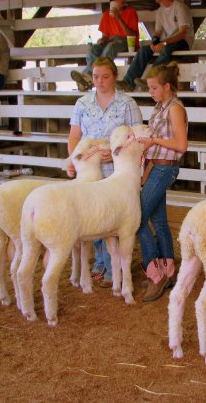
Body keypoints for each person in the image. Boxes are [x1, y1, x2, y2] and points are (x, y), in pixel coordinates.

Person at [67, 57, 142, 287]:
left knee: (113, 219)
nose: (99, 81)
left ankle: (113, 268)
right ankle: (100, 263)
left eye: (105, 76)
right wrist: (73, 161)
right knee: (92, 216)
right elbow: (74, 135)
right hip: (90, 170)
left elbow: (137, 136)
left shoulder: (127, 103)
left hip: (116, 171)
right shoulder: (82, 103)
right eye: (96, 76)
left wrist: (115, 151)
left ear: (115, 77)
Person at [137, 62, 188, 302]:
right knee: (158, 219)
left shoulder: (175, 108)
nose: (151, 92)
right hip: (156, 167)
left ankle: (154, 272)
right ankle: (168, 268)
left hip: (165, 168)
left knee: (137, 217)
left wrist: (154, 140)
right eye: (149, 88)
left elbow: (181, 145)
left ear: (167, 86)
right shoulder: (159, 107)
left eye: (154, 87)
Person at [117, 0, 194, 92]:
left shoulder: (180, 7)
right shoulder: (160, 11)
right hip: (167, 42)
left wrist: (164, 43)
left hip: (182, 43)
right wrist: (154, 42)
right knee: (144, 50)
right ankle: (128, 82)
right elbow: (158, 32)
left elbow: (182, 33)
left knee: (166, 48)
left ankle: (149, 80)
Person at [70, 0, 139, 91]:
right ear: (113, 0)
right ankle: (87, 77)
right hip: (111, 40)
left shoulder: (130, 12)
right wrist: (102, 40)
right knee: (93, 49)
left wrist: (118, 18)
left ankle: (89, 77)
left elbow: (132, 34)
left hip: (126, 41)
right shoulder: (107, 14)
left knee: (111, 46)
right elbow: (105, 36)